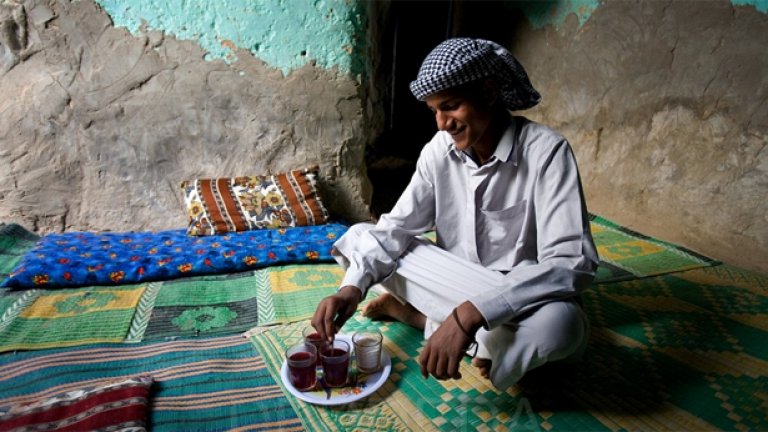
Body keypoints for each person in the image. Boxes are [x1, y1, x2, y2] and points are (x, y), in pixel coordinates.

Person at [311, 37, 599, 391]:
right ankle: (493, 347)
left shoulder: (546, 152)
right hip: (453, 280)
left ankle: (425, 319)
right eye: (434, 110)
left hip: (517, 295)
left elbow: (572, 262)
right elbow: (396, 229)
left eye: (451, 106)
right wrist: (351, 290)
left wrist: (469, 314)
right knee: (360, 238)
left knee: (562, 326)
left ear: (490, 93)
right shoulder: (439, 150)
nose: (441, 123)